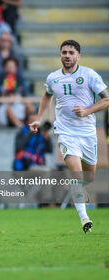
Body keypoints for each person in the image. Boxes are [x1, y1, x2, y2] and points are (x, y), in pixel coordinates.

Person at [29, 40, 109, 233]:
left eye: (71, 52)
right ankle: (84, 218)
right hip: (65, 132)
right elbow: (47, 96)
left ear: (78, 56)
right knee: (76, 172)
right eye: (64, 52)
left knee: (88, 176)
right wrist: (38, 118)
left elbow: (107, 99)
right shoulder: (53, 78)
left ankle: (79, 191)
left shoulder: (89, 75)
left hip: (88, 133)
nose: (67, 55)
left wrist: (88, 110)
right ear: (60, 55)